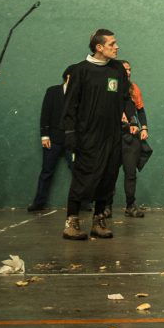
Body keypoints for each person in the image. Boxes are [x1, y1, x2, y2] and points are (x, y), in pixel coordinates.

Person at [61, 30, 127, 240]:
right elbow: (70, 104)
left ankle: (99, 221)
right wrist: (70, 133)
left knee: (108, 178)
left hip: (113, 135)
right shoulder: (81, 70)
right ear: (99, 47)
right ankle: (72, 222)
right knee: (84, 178)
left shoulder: (117, 69)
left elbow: (124, 97)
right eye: (112, 44)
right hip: (88, 136)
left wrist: (126, 120)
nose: (117, 47)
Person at [28, 68, 77, 212]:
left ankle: (83, 202)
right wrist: (44, 135)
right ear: (68, 76)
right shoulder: (52, 91)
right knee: (47, 171)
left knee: (78, 171)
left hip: (72, 140)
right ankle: (39, 202)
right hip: (53, 139)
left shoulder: (80, 94)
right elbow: (45, 113)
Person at [113, 59, 151, 218]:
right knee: (110, 173)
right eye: (125, 70)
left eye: (129, 70)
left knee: (130, 173)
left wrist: (144, 127)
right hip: (113, 137)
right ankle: (105, 207)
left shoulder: (134, 88)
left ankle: (130, 206)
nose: (128, 72)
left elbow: (140, 110)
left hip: (131, 137)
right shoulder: (111, 88)